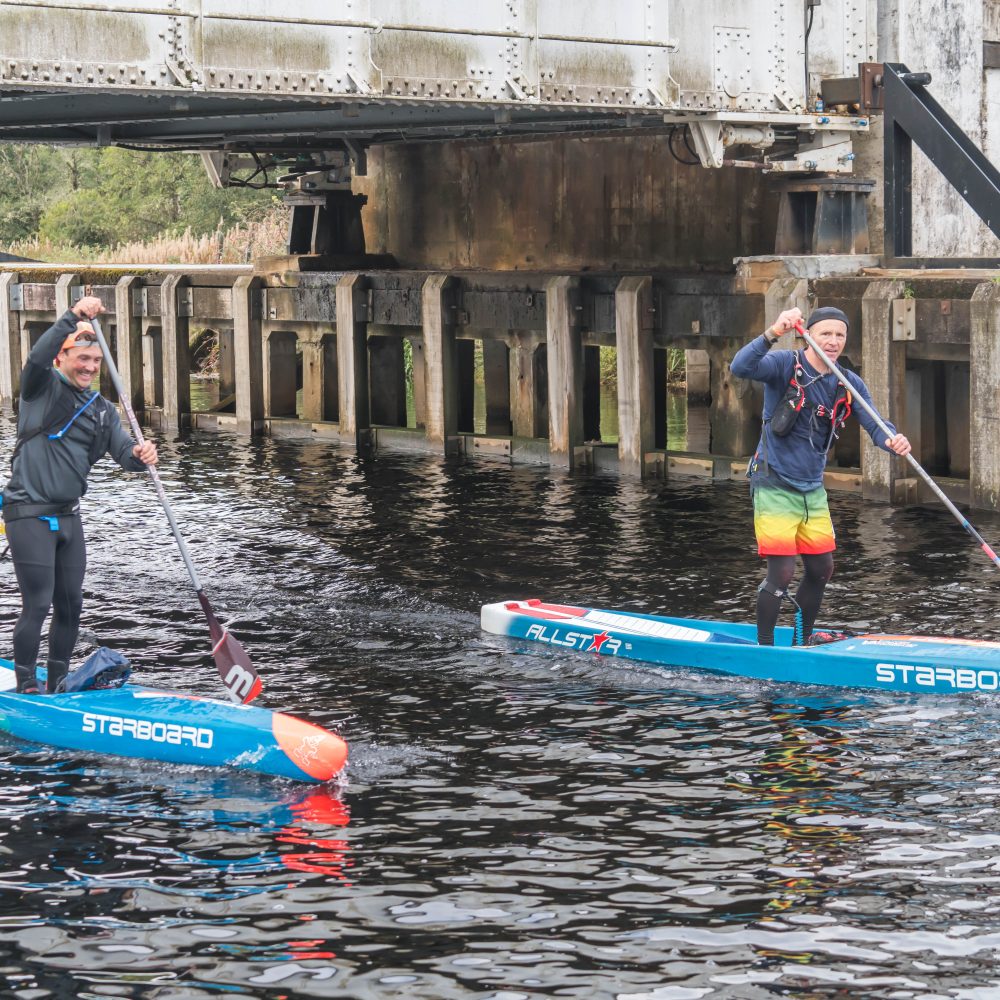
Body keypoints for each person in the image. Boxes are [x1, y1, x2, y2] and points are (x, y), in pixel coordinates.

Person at [1, 296, 158, 693]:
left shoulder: (104, 410)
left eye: (95, 361)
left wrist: (142, 456)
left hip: (69, 518)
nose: (88, 367)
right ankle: (26, 687)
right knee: (38, 604)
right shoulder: (41, 388)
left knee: (71, 606)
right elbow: (36, 358)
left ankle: (57, 683)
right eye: (80, 358)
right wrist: (72, 315)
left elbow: (125, 455)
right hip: (28, 514)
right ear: (62, 358)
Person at [730, 306, 911, 646]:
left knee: (821, 569)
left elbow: (875, 424)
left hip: (811, 489)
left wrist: (891, 439)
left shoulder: (848, 382)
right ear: (808, 334)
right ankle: (765, 648)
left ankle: (803, 639)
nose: (833, 341)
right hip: (774, 481)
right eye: (825, 333)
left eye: (839, 335)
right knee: (782, 573)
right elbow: (741, 367)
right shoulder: (785, 365)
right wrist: (773, 332)